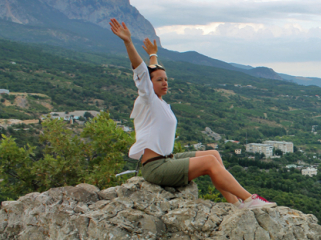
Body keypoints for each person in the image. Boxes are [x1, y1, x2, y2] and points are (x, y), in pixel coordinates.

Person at [109, 18, 275, 209]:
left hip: (166, 160)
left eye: (166, 79)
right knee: (209, 164)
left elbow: (151, 72)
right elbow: (142, 72)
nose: (165, 83)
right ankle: (248, 199)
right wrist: (128, 42)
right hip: (155, 168)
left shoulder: (159, 102)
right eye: (159, 80)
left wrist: (153, 55)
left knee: (213, 154)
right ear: (149, 84)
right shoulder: (148, 99)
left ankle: (235, 203)